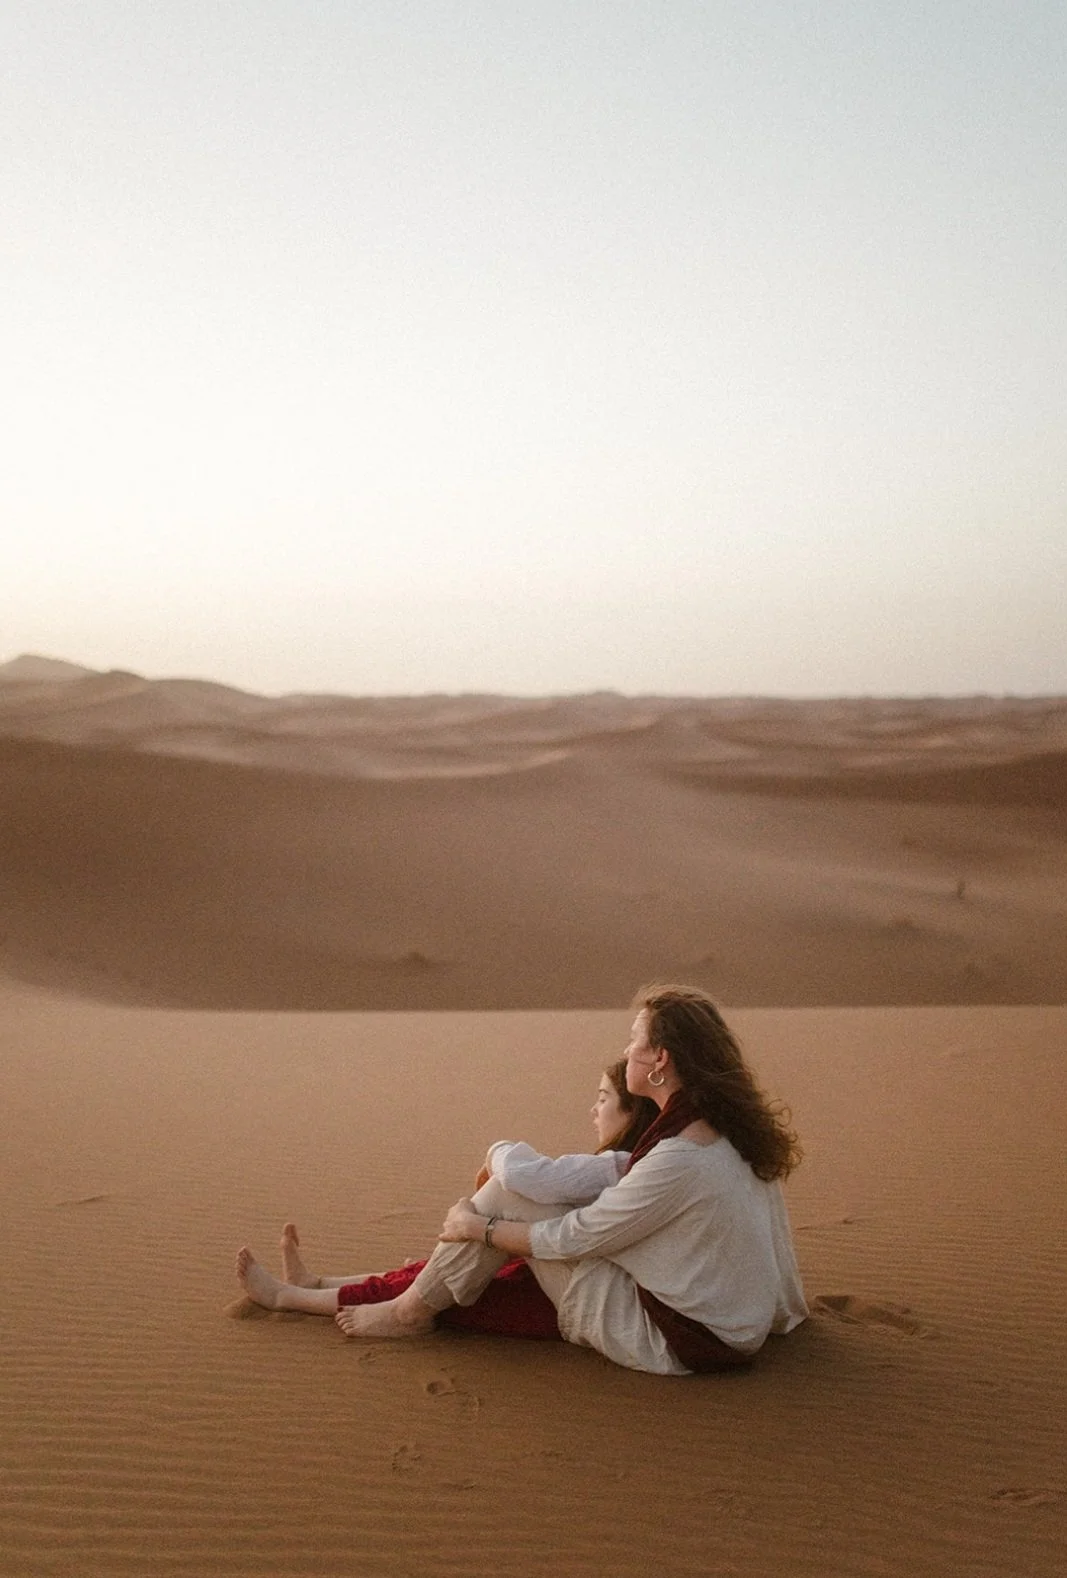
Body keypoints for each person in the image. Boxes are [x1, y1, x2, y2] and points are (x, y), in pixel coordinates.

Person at [235, 985, 808, 1373]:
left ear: (659, 1059)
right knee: (505, 1220)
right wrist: (783, 1315)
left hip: (678, 1343)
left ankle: (407, 1311)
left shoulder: (680, 1156)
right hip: (723, 1327)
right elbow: (772, 1240)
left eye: (633, 1041)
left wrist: (477, 1226)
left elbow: (576, 1238)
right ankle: (345, 1291)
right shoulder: (728, 1132)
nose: (625, 1052)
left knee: (505, 1207)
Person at [268, 1059, 658, 1341]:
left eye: (604, 1099)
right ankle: (314, 1283)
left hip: (570, 1302)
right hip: (570, 1281)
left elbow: (525, 1178)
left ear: (633, 1114)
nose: (594, 1109)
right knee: (438, 1273)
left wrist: (496, 1153)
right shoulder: (632, 1169)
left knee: (441, 1292)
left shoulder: (618, 1167)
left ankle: (294, 1297)